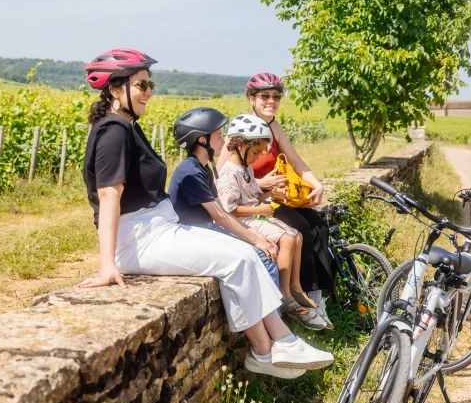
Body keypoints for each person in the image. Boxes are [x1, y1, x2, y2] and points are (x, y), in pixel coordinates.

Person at [78, 47, 333, 379]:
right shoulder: (113, 130)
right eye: (142, 85)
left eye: (150, 85)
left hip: (157, 227)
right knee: (238, 259)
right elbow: (109, 196)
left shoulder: (126, 126)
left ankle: (283, 341)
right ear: (114, 88)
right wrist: (107, 264)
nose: (149, 93)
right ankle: (264, 350)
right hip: (139, 236)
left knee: (246, 251)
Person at [216, 73, 334, 329]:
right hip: (256, 202)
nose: (271, 101)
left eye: (276, 97)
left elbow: (296, 161)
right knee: (300, 228)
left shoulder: (274, 127)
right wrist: (262, 184)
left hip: (277, 197)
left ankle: (317, 296)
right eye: (264, 96)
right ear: (251, 98)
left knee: (318, 224)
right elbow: (223, 176)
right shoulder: (240, 132)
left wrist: (316, 184)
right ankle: (294, 301)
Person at [168, 106, 280, 288]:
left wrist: (253, 234)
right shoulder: (190, 172)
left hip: (203, 229)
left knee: (260, 248)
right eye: (219, 136)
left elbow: (223, 211)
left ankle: (272, 312)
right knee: (261, 254)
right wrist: (255, 239)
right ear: (203, 140)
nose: (224, 140)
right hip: (190, 233)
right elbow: (219, 216)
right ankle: (274, 314)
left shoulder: (203, 168)